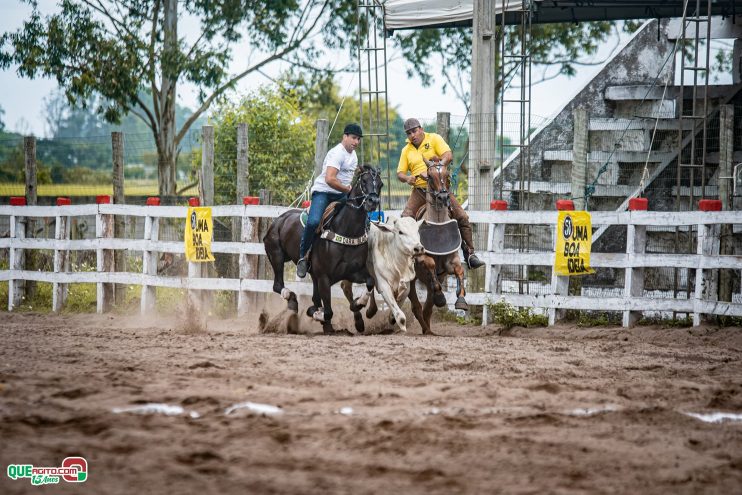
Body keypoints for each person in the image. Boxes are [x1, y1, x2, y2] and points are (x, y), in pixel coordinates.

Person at [397, 117, 484, 269]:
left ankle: (470, 254)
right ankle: (407, 257)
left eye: (415, 130)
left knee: (462, 216)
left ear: (421, 129)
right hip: (420, 191)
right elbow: (400, 173)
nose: (412, 135)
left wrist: (434, 169)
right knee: (405, 218)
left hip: (440, 188)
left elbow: (448, 155)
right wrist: (408, 178)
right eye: (409, 133)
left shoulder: (434, 138)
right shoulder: (406, 150)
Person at [297, 123, 363, 278]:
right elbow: (329, 179)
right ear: (345, 136)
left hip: (341, 194)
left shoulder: (353, 156)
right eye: (353, 138)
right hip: (324, 193)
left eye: (358, 139)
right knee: (313, 222)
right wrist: (347, 190)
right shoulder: (337, 153)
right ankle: (303, 257)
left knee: (359, 215)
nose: (356, 142)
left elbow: (347, 180)